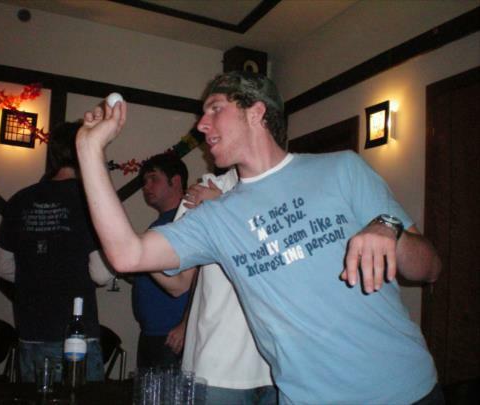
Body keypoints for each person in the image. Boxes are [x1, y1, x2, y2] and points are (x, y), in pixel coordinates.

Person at [75, 71, 443, 404]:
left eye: (214, 108)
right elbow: (126, 254)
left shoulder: (343, 169)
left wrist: (389, 229)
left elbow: (430, 268)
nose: (201, 124)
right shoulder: (216, 216)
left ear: (256, 112)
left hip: (408, 389)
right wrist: (89, 150)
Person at [0, 121, 113, 383]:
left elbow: (4, 268)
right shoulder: (89, 200)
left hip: (30, 333)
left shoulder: (20, 199)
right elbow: (101, 273)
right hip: (76, 337)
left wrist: (38, 276)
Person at [169, 168, 278, 404]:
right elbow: (180, 283)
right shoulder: (206, 188)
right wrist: (132, 253)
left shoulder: (291, 185)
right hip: (219, 366)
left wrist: (223, 207)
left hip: (281, 364)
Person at [131, 153, 191, 368]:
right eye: (144, 181)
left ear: (175, 181)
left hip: (173, 336)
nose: (146, 186)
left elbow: (199, 278)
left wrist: (185, 325)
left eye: (153, 179)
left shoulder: (187, 220)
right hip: (151, 333)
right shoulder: (159, 224)